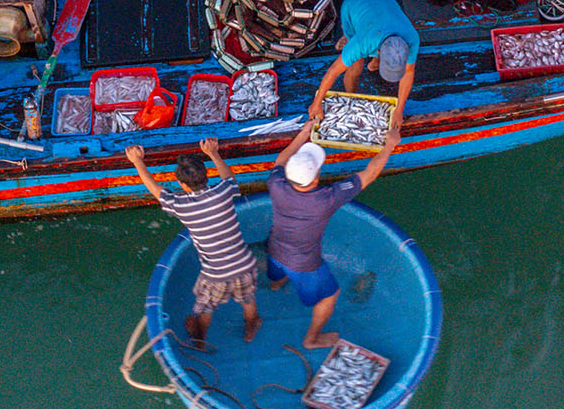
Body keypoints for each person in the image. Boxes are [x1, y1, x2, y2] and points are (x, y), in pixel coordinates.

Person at [264, 91, 405, 349]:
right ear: (315, 179)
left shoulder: (276, 184)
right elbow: (370, 173)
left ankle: (276, 286)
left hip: (274, 249)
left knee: (277, 273)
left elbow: (280, 160)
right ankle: (311, 338)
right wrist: (390, 144)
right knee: (330, 295)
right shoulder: (326, 198)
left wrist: (303, 134)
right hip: (304, 264)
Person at [125, 140, 261, 346]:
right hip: (244, 263)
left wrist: (137, 162)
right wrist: (214, 154)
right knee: (247, 298)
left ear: (182, 184)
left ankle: (199, 337)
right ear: (206, 176)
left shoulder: (181, 206)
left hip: (216, 274)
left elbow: (155, 188)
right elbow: (228, 176)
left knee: (205, 307)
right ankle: (252, 324)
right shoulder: (224, 192)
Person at [315, 0, 420, 122]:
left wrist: (399, 110)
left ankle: (375, 62)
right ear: (377, 51)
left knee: (376, 51)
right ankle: (350, 96)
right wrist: (317, 103)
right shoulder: (363, 42)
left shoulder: (412, 39)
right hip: (353, 6)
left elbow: (409, 72)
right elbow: (333, 71)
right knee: (356, 67)